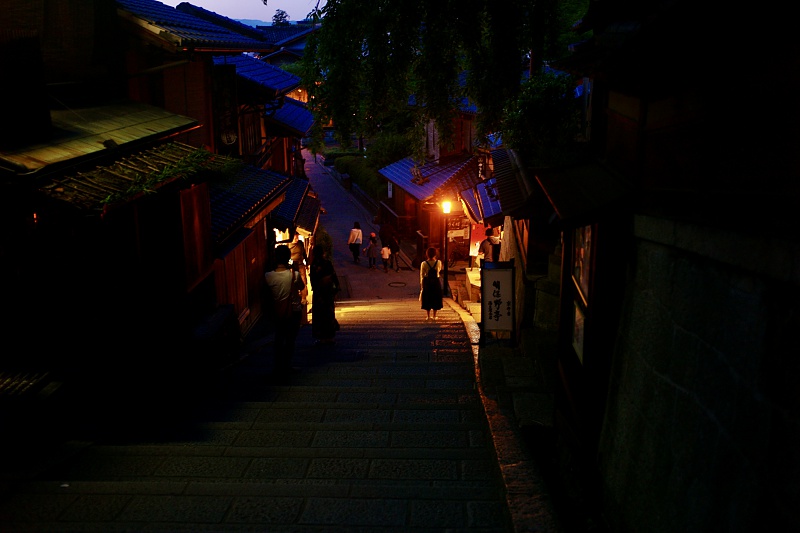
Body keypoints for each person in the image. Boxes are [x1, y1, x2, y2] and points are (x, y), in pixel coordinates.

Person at [264, 244, 305, 375]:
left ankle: (278, 366)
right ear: (288, 258)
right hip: (293, 311)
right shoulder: (294, 275)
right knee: (290, 340)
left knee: (278, 337)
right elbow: (301, 287)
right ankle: (287, 365)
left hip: (277, 311)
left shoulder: (268, 276)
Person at [309, 244, 339, 345]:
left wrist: (315, 287)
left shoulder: (313, 265)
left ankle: (321, 336)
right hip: (328, 291)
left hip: (318, 292)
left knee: (319, 315)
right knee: (328, 313)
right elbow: (333, 276)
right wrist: (336, 289)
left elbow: (313, 280)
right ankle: (329, 336)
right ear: (322, 253)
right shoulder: (327, 263)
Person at [419, 246, 443, 321]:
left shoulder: (424, 263)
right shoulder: (438, 262)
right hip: (436, 281)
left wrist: (422, 285)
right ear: (435, 254)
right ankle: (434, 316)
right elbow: (439, 270)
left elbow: (422, 274)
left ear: (427, 254)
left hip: (427, 281)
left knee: (428, 297)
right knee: (435, 297)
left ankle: (428, 316)